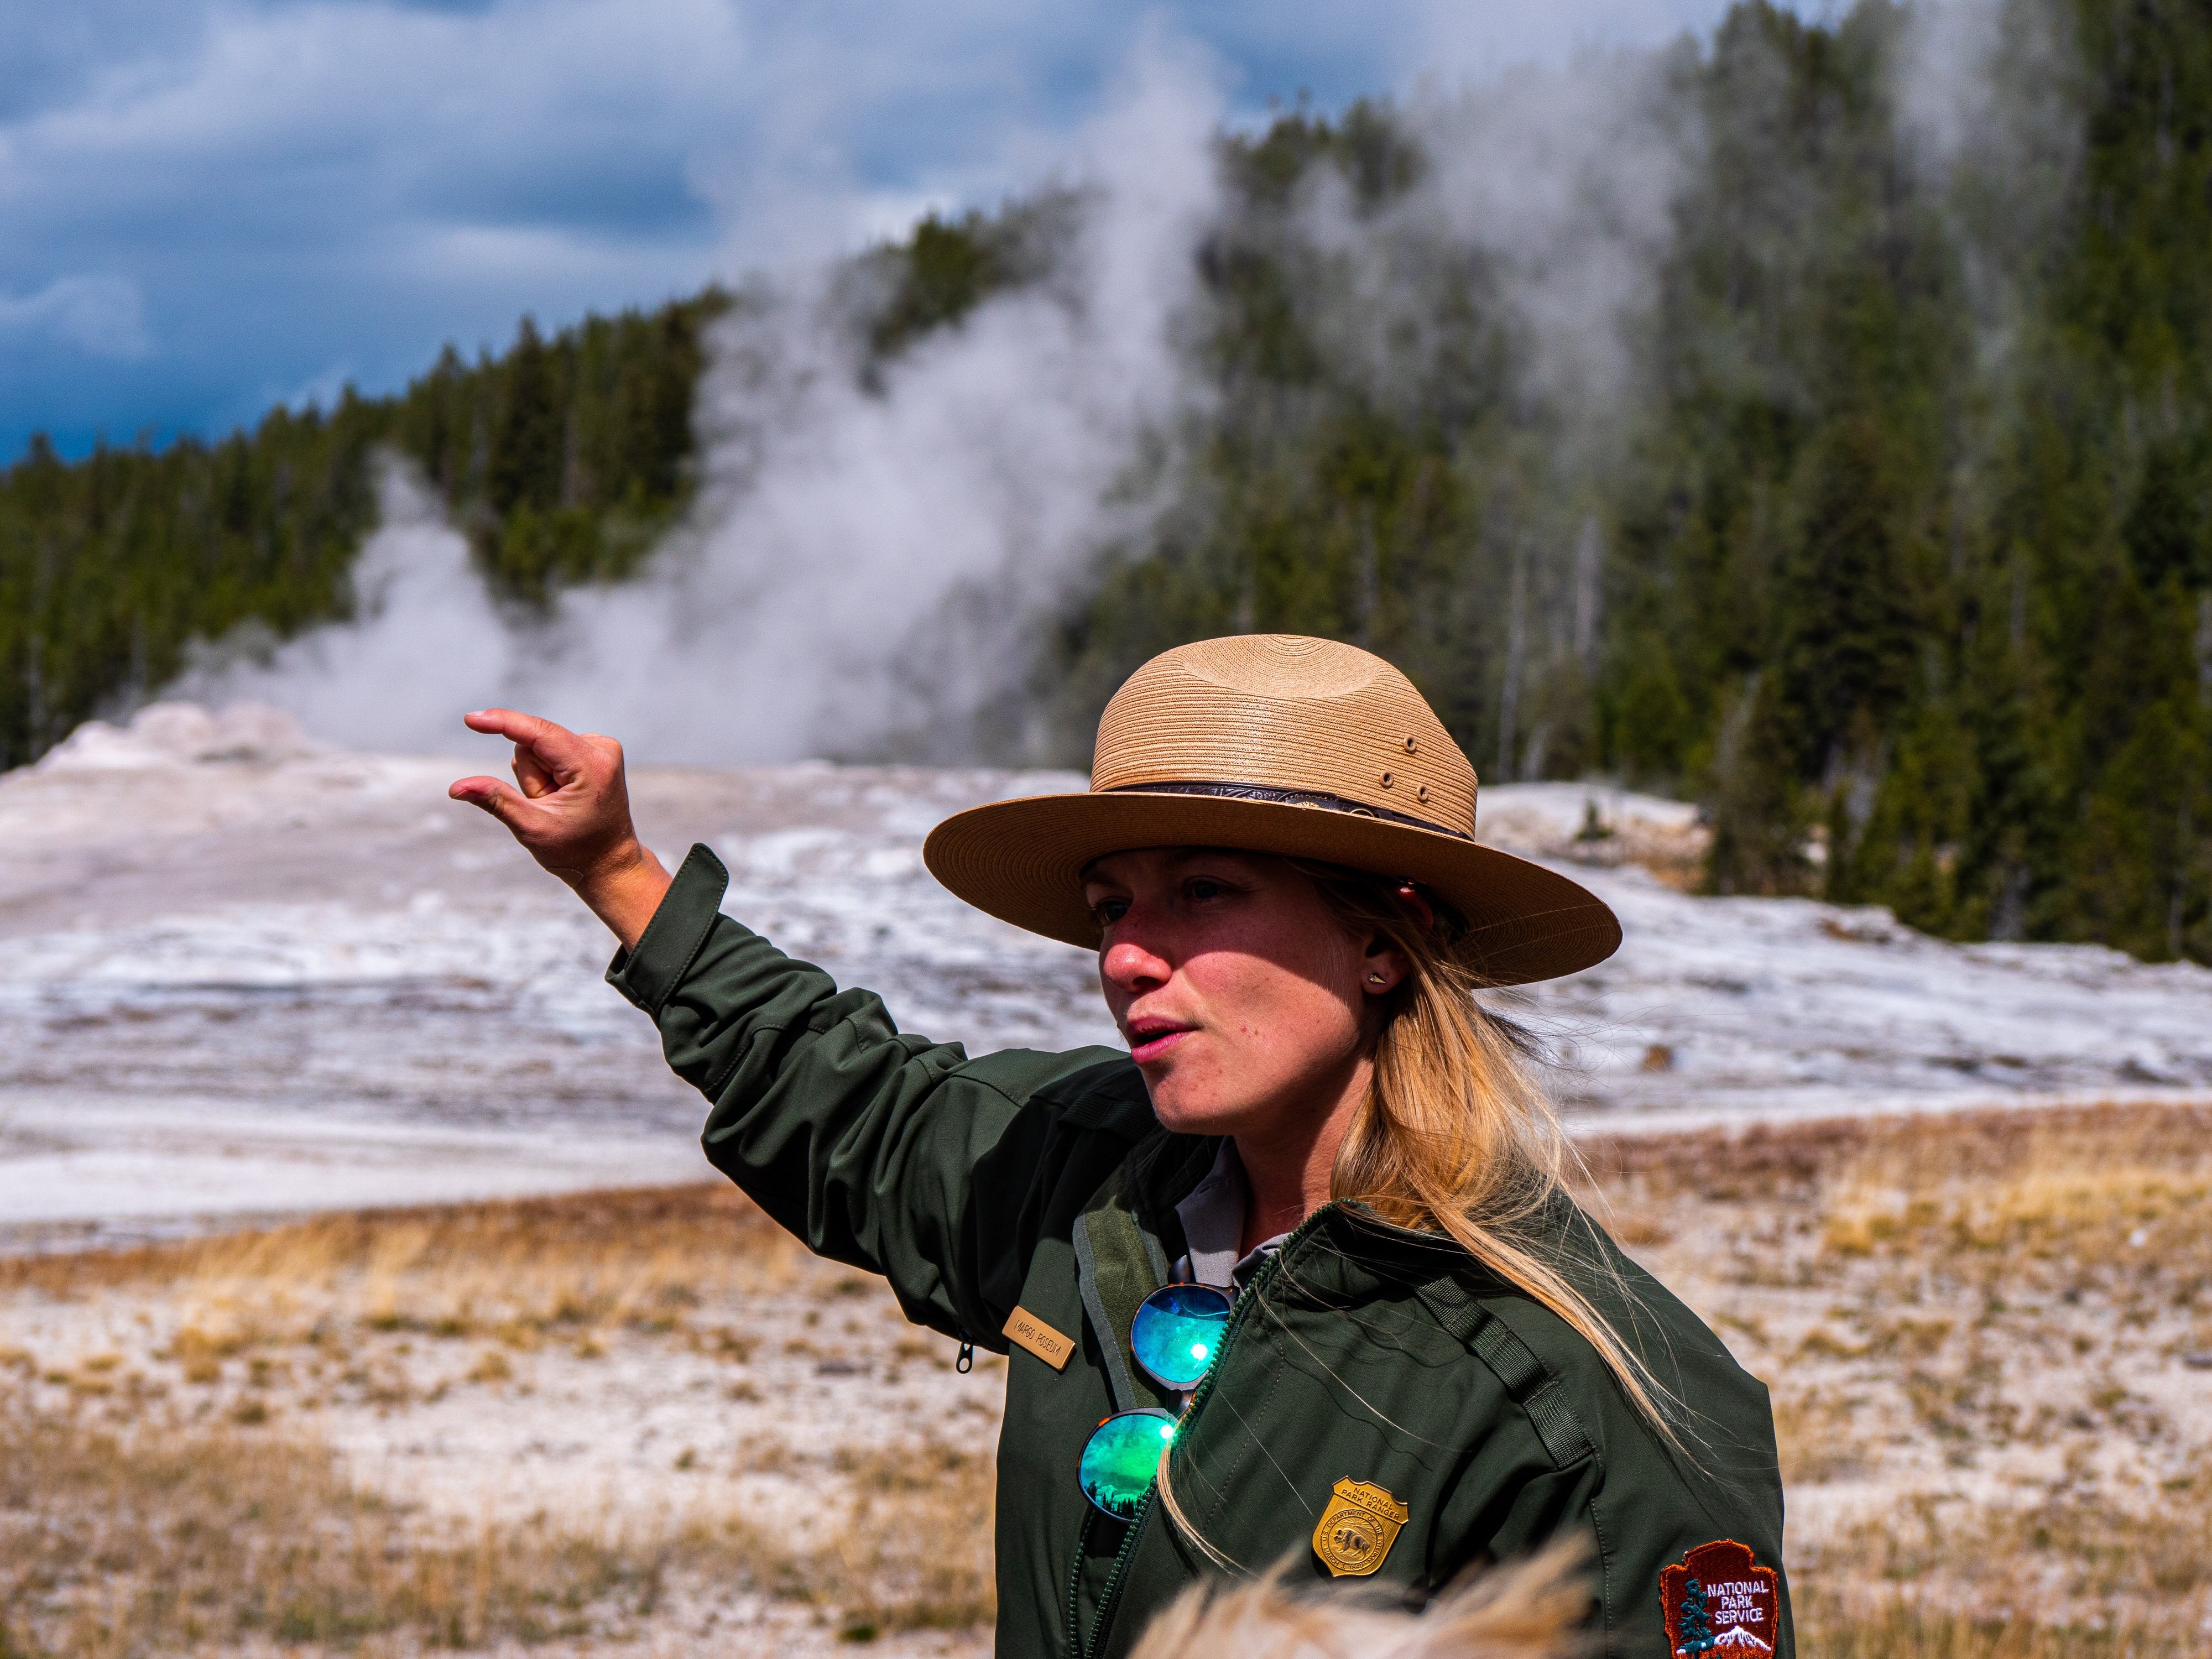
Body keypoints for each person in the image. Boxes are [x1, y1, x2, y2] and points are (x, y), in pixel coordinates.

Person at [450, 634, 1792, 1659]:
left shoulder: (1583, 1391)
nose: (1127, 960)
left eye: (1203, 892)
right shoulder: (1092, 1178)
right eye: (1110, 907)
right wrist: (617, 872)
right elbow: (853, 1104)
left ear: (1384, 940)